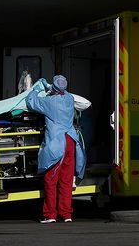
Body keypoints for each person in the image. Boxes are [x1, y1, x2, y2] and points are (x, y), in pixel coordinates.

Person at [26, 75, 86, 223]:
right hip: (71, 140)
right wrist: (50, 87)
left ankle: (50, 214)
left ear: (54, 87)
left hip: (56, 143)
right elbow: (61, 93)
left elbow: (31, 102)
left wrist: (37, 88)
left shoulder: (49, 102)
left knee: (51, 180)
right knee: (66, 180)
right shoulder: (69, 98)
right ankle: (66, 215)